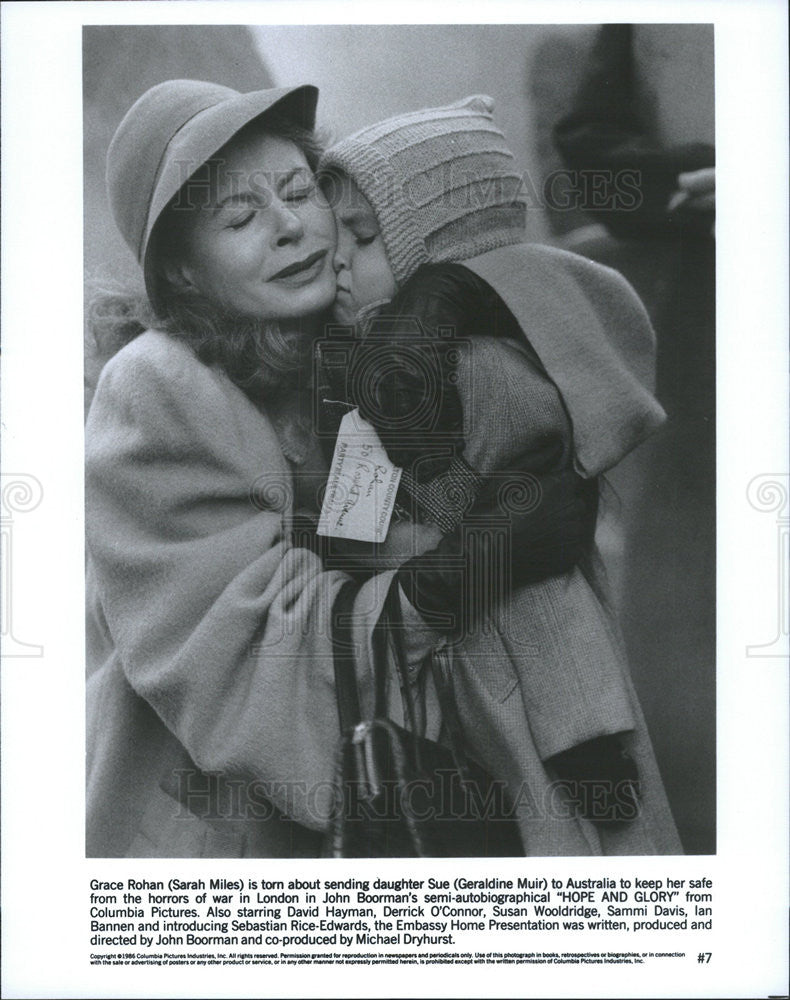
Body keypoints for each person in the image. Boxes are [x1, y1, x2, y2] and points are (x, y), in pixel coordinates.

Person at [85, 79, 586, 857]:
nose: (290, 228)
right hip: (223, 850)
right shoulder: (156, 389)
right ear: (182, 273)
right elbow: (243, 652)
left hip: (425, 786)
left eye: (298, 190)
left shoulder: (363, 332)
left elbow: (574, 314)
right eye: (241, 217)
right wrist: (471, 566)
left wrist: (449, 298)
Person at [317, 95, 683, 854]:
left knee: (575, 858)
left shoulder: (482, 369)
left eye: (361, 238)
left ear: (440, 256)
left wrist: (581, 727)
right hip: (469, 678)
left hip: (546, 706)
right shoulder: (397, 365)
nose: (337, 266)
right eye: (334, 240)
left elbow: (534, 567)